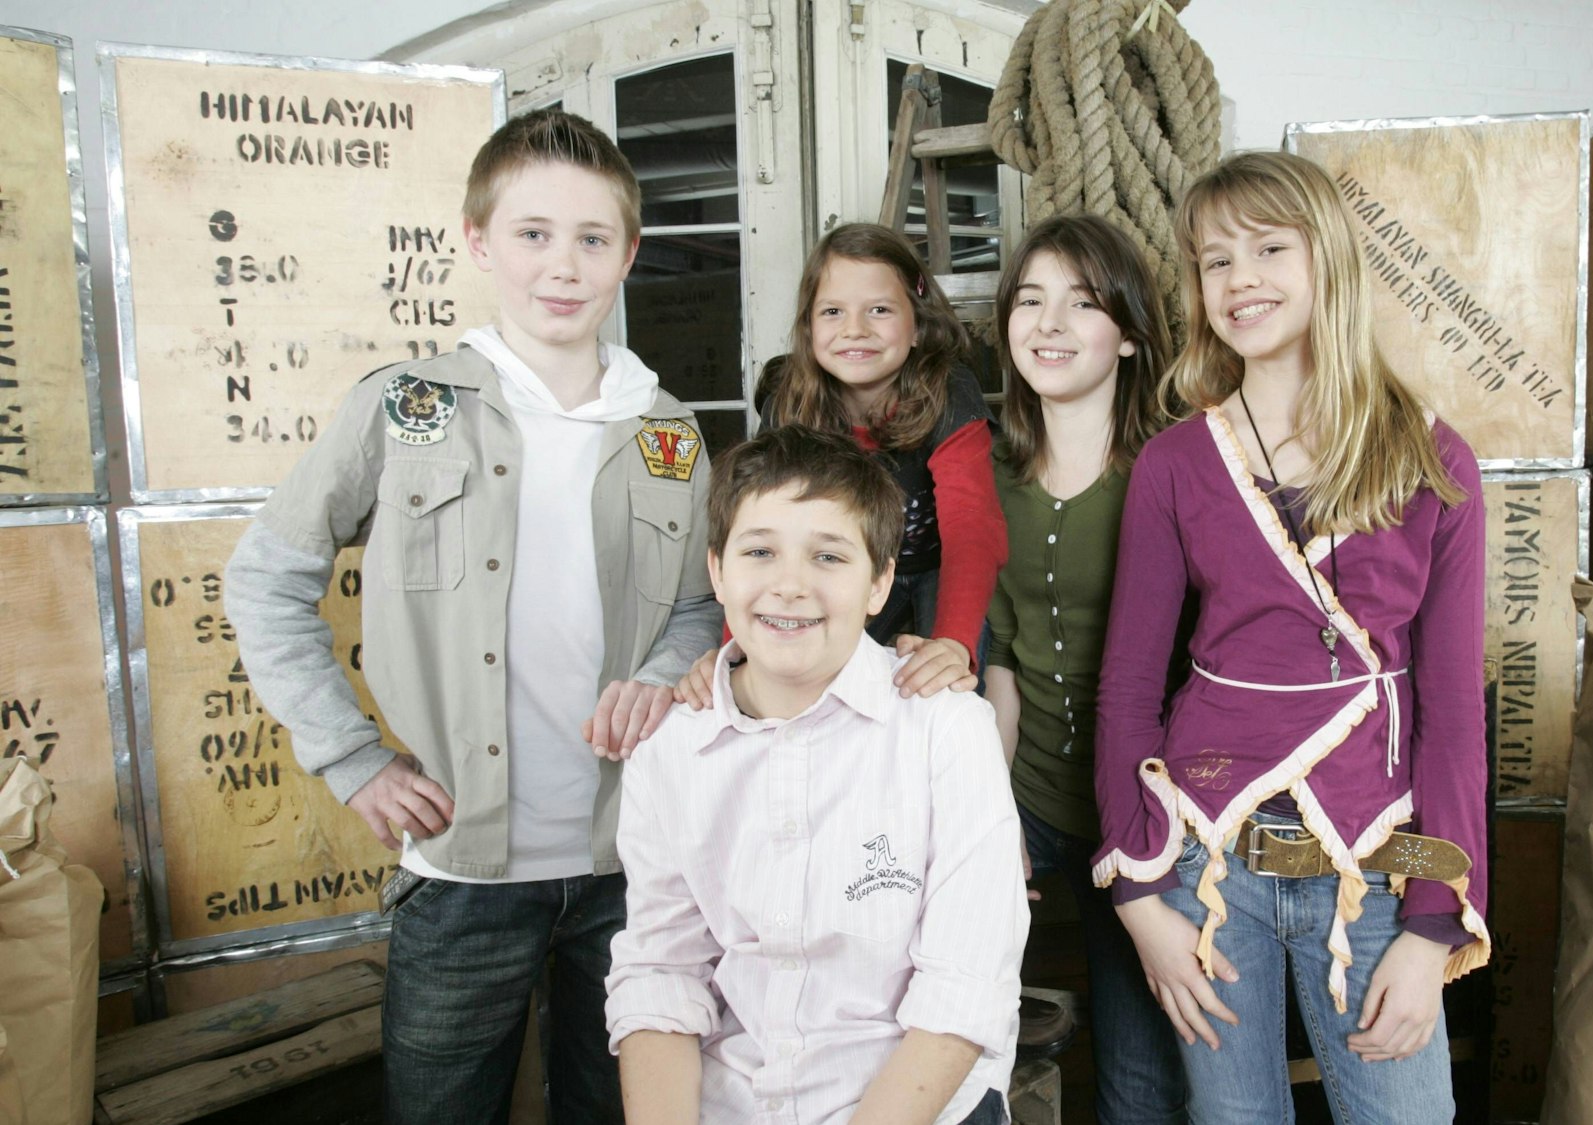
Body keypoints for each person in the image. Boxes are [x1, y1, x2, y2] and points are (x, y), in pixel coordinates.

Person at [225, 109, 721, 1123]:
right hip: (459, 872)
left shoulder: (669, 433)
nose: (563, 266)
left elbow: (697, 606)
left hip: (634, 872)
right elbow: (265, 579)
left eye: (592, 238)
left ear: (628, 254)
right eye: (533, 233)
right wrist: (350, 757)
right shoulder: (405, 407)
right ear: (479, 241)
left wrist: (662, 675)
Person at [1091, 150, 1491, 1122]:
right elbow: (1128, 688)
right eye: (1214, 260)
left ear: (1328, 260)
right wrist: (1139, 898)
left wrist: (1431, 926)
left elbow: (1449, 717)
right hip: (1208, 861)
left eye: (1268, 248)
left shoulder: (1430, 458)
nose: (1240, 279)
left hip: (1379, 858)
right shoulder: (1174, 463)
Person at [607, 424, 1028, 1125]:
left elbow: (964, 989)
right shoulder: (671, 748)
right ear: (717, 571)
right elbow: (662, 973)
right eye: (759, 551)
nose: (790, 586)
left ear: (879, 582)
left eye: (829, 556)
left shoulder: (945, 728)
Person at [982, 214, 1190, 1123]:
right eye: (1030, 301)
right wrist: (993, 814)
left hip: (1147, 809)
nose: (1050, 324)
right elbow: (1001, 656)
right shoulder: (992, 470)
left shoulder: (1176, 466)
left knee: (1141, 1073)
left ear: (1131, 333)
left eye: (1082, 302)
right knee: (960, 1027)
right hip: (1030, 793)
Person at [668, 224, 994, 713]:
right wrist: (737, 649)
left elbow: (972, 526)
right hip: (842, 568)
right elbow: (753, 528)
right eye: (832, 311)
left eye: (879, 310)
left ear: (918, 325)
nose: (854, 329)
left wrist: (953, 641)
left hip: (935, 566)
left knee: (942, 686)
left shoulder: (950, 391)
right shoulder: (790, 400)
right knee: (808, 683)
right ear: (808, 327)